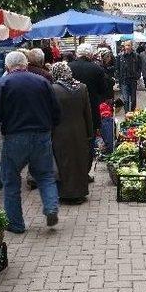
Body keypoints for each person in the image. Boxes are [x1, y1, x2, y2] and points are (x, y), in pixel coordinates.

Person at [0, 51, 61, 233]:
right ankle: (50, 208)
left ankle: (16, 224)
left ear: (7, 67)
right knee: (45, 175)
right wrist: (51, 128)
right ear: (25, 64)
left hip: (15, 138)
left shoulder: (1, 84)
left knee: (10, 180)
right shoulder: (42, 82)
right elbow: (55, 109)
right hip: (41, 135)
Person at [50, 62, 93, 205]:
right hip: (80, 130)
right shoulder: (82, 87)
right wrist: (89, 133)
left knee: (65, 162)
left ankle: (66, 194)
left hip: (59, 132)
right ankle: (80, 192)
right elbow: (87, 112)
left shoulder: (53, 89)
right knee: (79, 161)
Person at [69, 43, 106, 177]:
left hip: (71, 111)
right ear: (90, 54)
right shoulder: (96, 69)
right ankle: (85, 171)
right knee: (89, 140)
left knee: (73, 140)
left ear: (78, 53)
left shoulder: (69, 67)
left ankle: (74, 170)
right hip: (91, 110)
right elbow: (103, 91)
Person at [116, 41, 141, 111]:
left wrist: (138, 76)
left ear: (131, 46)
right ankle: (127, 114)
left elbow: (139, 67)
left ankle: (132, 113)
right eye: (126, 45)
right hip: (124, 81)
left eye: (129, 45)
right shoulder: (120, 56)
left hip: (133, 80)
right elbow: (117, 68)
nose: (127, 47)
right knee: (126, 100)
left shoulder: (136, 56)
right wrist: (118, 79)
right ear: (124, 46)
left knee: (133, 100)